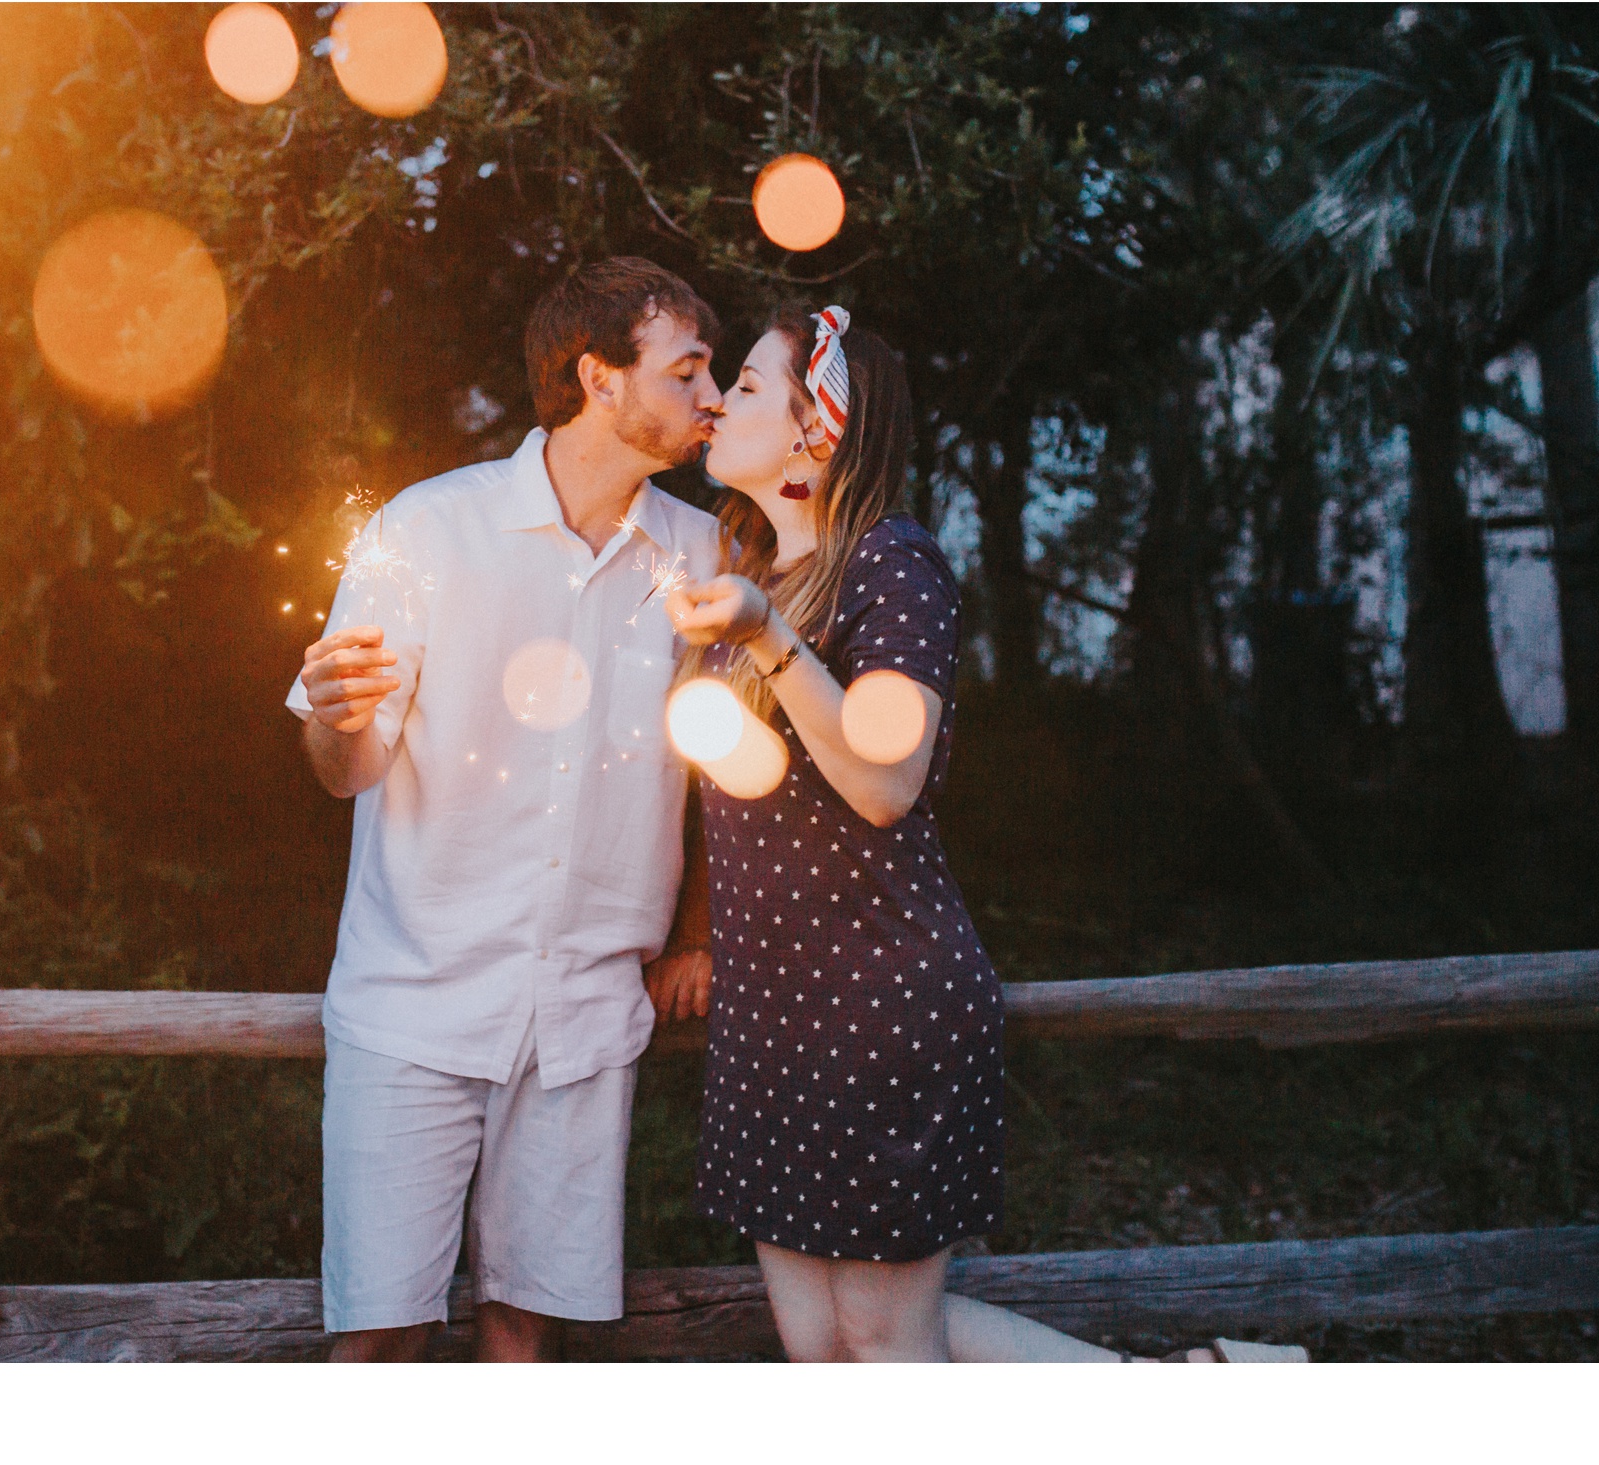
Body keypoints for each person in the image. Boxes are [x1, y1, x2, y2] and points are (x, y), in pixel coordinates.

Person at [661, 306, 1303, 1363]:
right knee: (817, 1345)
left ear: (817, 426)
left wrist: (768, 639)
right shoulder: (754, 578)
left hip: (876, 1004)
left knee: (880, 1348)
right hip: (769, 1013)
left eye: (745, 383)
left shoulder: (890, 566)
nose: (720, 401)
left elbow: (885, 785)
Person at [289, 257, 722, 1362]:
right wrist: (336, 718)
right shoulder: (425, 531)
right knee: (379, 1337)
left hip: (585, 1013)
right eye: (687, 370)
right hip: (414, 1004)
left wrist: (698, 933)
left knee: (522, 1335)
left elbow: (722, 771)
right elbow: (346, 768)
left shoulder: (704, 556)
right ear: (598, 378)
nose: (710, 396)